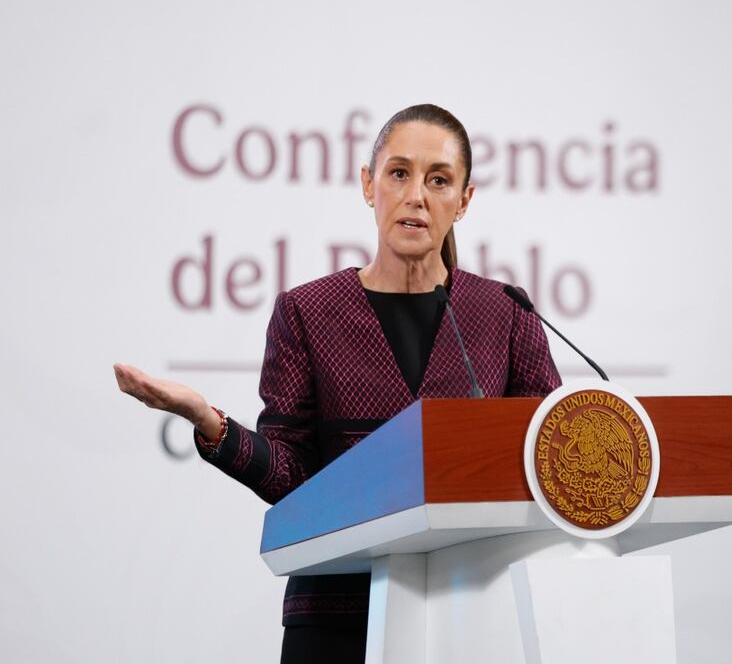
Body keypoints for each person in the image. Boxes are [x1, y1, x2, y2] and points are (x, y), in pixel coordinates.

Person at [113, 104, 562, 663]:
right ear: (368, 185)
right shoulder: (307, 312)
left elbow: (553, 457)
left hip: (471, 614)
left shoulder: (503, 313)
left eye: (439, 180)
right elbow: (291, 474)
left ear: (464, 200)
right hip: (336, 616)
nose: (416, 195)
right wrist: (211, 423)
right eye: (398, 173)